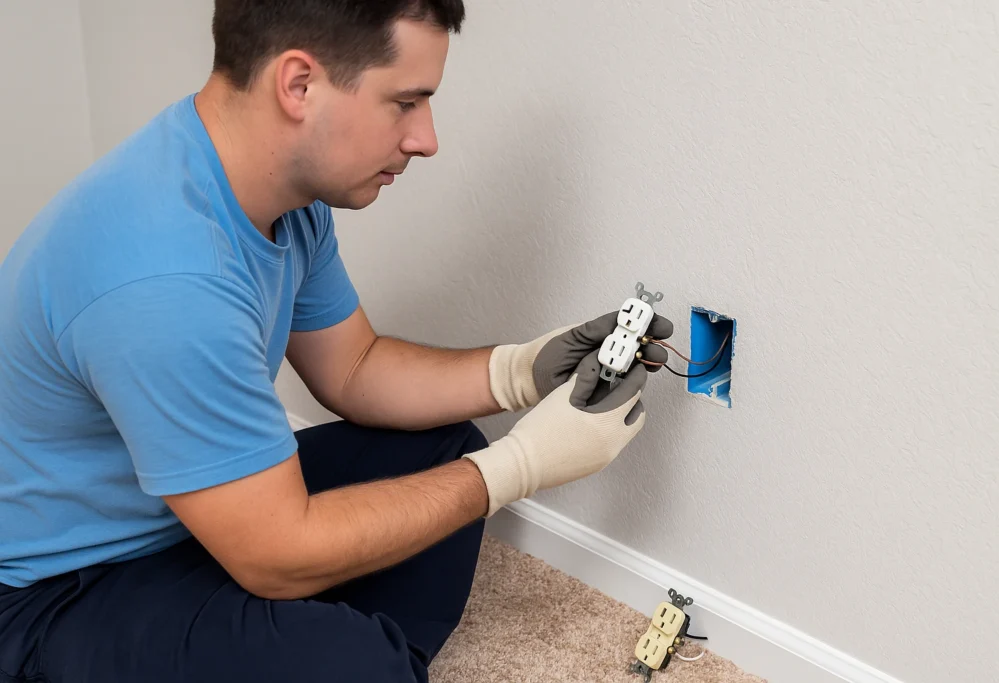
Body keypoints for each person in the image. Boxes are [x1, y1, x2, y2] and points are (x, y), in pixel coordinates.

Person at [0, 1, 673, 681]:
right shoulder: (166, 276)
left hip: (188, 512)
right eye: (405, 102)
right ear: (298, 84)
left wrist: (521, 371)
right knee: (351, 656)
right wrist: (518, 466)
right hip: (57, 587)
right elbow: (275, 556)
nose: (426, 138)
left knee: (444, 446)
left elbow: (354, 367)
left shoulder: (282, 195)